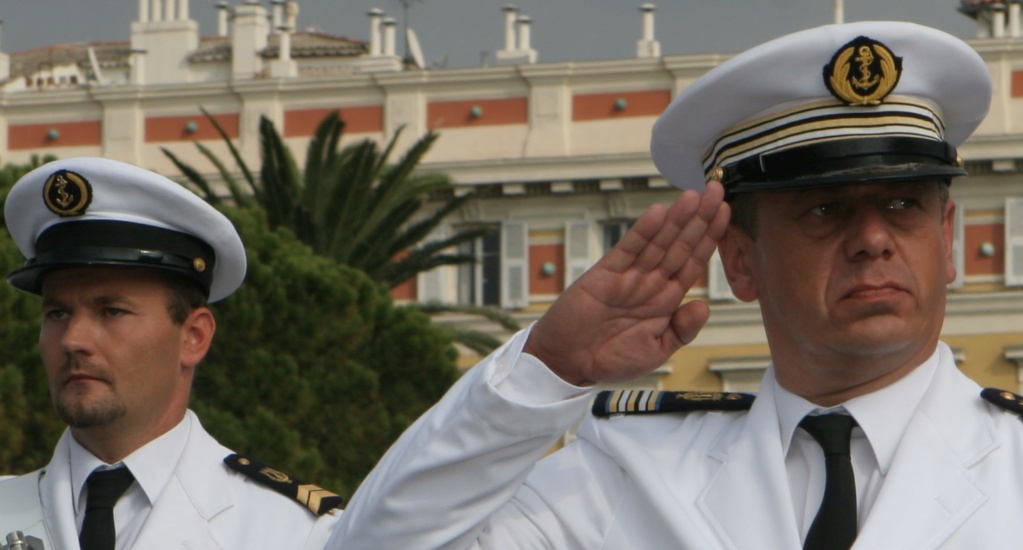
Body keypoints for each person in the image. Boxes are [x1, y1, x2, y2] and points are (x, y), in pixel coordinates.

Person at [328, 21, 1023, 549]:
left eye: (903, 206)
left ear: (947, 239)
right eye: (824, 209)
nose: (872, 238)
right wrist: (545, 374)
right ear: (739, 260)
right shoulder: (629, 473)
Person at [0, 157, 341, 549]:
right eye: (58, 312)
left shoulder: (296, 534)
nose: (73, 339)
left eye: (112, 311)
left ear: (193, 337)